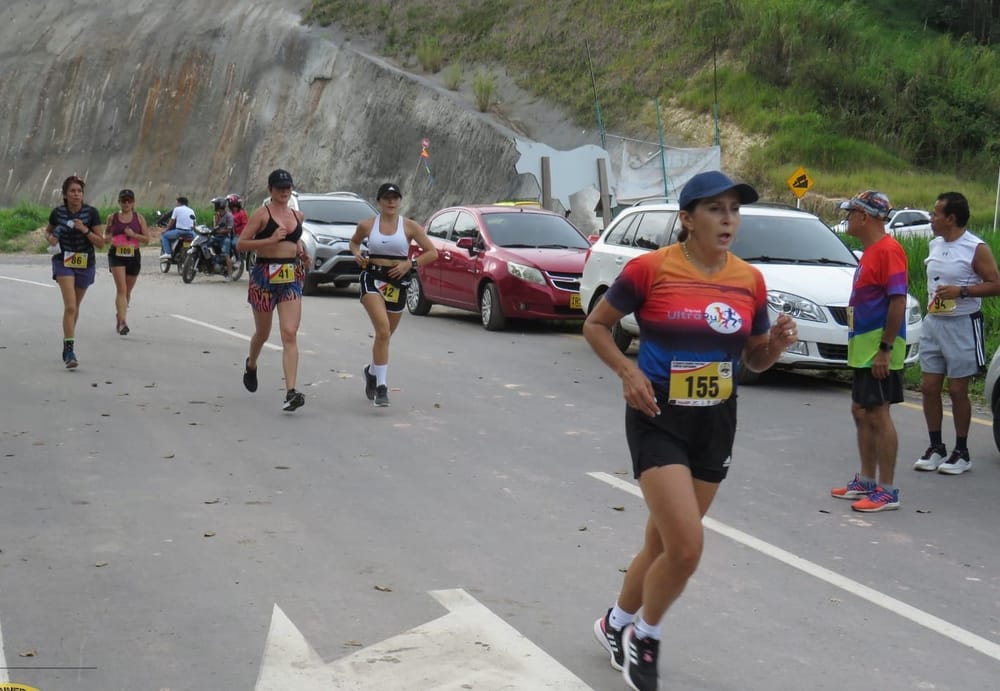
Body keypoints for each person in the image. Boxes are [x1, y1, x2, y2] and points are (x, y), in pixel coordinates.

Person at [584, 171, 797, 691]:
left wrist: (778, 346)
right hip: (658, 414)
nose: (728, 219)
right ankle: (646, 637)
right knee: (685, 548)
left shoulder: (749, 280)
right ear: (687, 219)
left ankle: (614, 624)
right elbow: (595, 324)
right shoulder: (650, 270)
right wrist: (629, 373)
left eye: (734, 210)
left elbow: (754, 357)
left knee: (661, 546)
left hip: (716, 419)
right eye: (715, 209)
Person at [830, 191, 908, 512]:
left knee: (878, 412)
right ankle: (867, 480)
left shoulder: (889, 250)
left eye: (851, 214)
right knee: (860, 410)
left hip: (879, 349)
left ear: (865, 217)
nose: (847, 219)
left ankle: (887, 490)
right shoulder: (871, 252)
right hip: (863, 349)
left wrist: (885, 349)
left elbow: (898, 300)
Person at [913, 192, 1000, 475]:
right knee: (928, 386)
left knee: (958, 389)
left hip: (962, 323)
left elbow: (995, 284)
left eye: (936, 214)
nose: (931, 218)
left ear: (951, 218)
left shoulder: (976, 247)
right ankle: (936, 446)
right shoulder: (935, 244)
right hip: (934, 322)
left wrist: (961, 291)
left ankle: (961, 451)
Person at [348, 183, 438, 407]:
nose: (391, 201)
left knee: (385, 337)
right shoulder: (368, 224)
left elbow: (432, 252)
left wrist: (411, 264)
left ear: (400, 201)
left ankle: (371, 371)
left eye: (395, 197)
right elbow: (354, 242)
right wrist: (357, 254)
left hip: (397, 282)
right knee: (383, 329)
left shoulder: (409, 226)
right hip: (372, 278)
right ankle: (381, 387)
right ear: (379, 201)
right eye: (387, 197)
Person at [236, 169, 311, 411]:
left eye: (287, 187)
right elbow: (241, 244)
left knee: (289, 333)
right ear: (270, 190)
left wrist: (301, 252)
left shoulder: (298, 215)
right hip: (264, 276)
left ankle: (291, 391)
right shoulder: (262, 214)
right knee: (263, 333)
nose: (284, 191)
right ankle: (252, 364)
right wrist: (269, 240)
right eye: (279, 188)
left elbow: (295, 241)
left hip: (290, 275)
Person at [44, 175, 106, 368]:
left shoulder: (91, 213)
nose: (76, 194)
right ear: (65, 194)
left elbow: (101, 243)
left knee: (75, 307)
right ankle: (70, 351)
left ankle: (66, 341)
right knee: (70, 306)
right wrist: (50, 239)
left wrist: (84, 230)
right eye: (72, 191)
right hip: (64, 261)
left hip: (85, 262)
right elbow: (48, 231)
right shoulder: (58, 213)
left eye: (79, 191)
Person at [104, 188, 150, 335]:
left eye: (129, 200)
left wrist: (133, 234)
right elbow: (107, 234)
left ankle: (120, 315)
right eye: (123, 200)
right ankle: (123, 322)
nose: (126, 203)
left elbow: (147, 239)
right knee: (121, 289)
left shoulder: (139, 218)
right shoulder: (112, 217)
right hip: (116, 255)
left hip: (133, 255)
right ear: (119, 202)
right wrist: (107, 238)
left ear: (133, 202)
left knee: (128, 292)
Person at [210, 196, 236, 279]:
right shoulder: (216, 215)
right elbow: (215, 226)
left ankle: (229, 274)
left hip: (225, 237)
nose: (214, 206)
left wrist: (218, 231)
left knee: (226, 255)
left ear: (220, 205)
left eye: (216, 205)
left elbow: (229, 229)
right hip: (216, 236)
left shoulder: (229, 216)